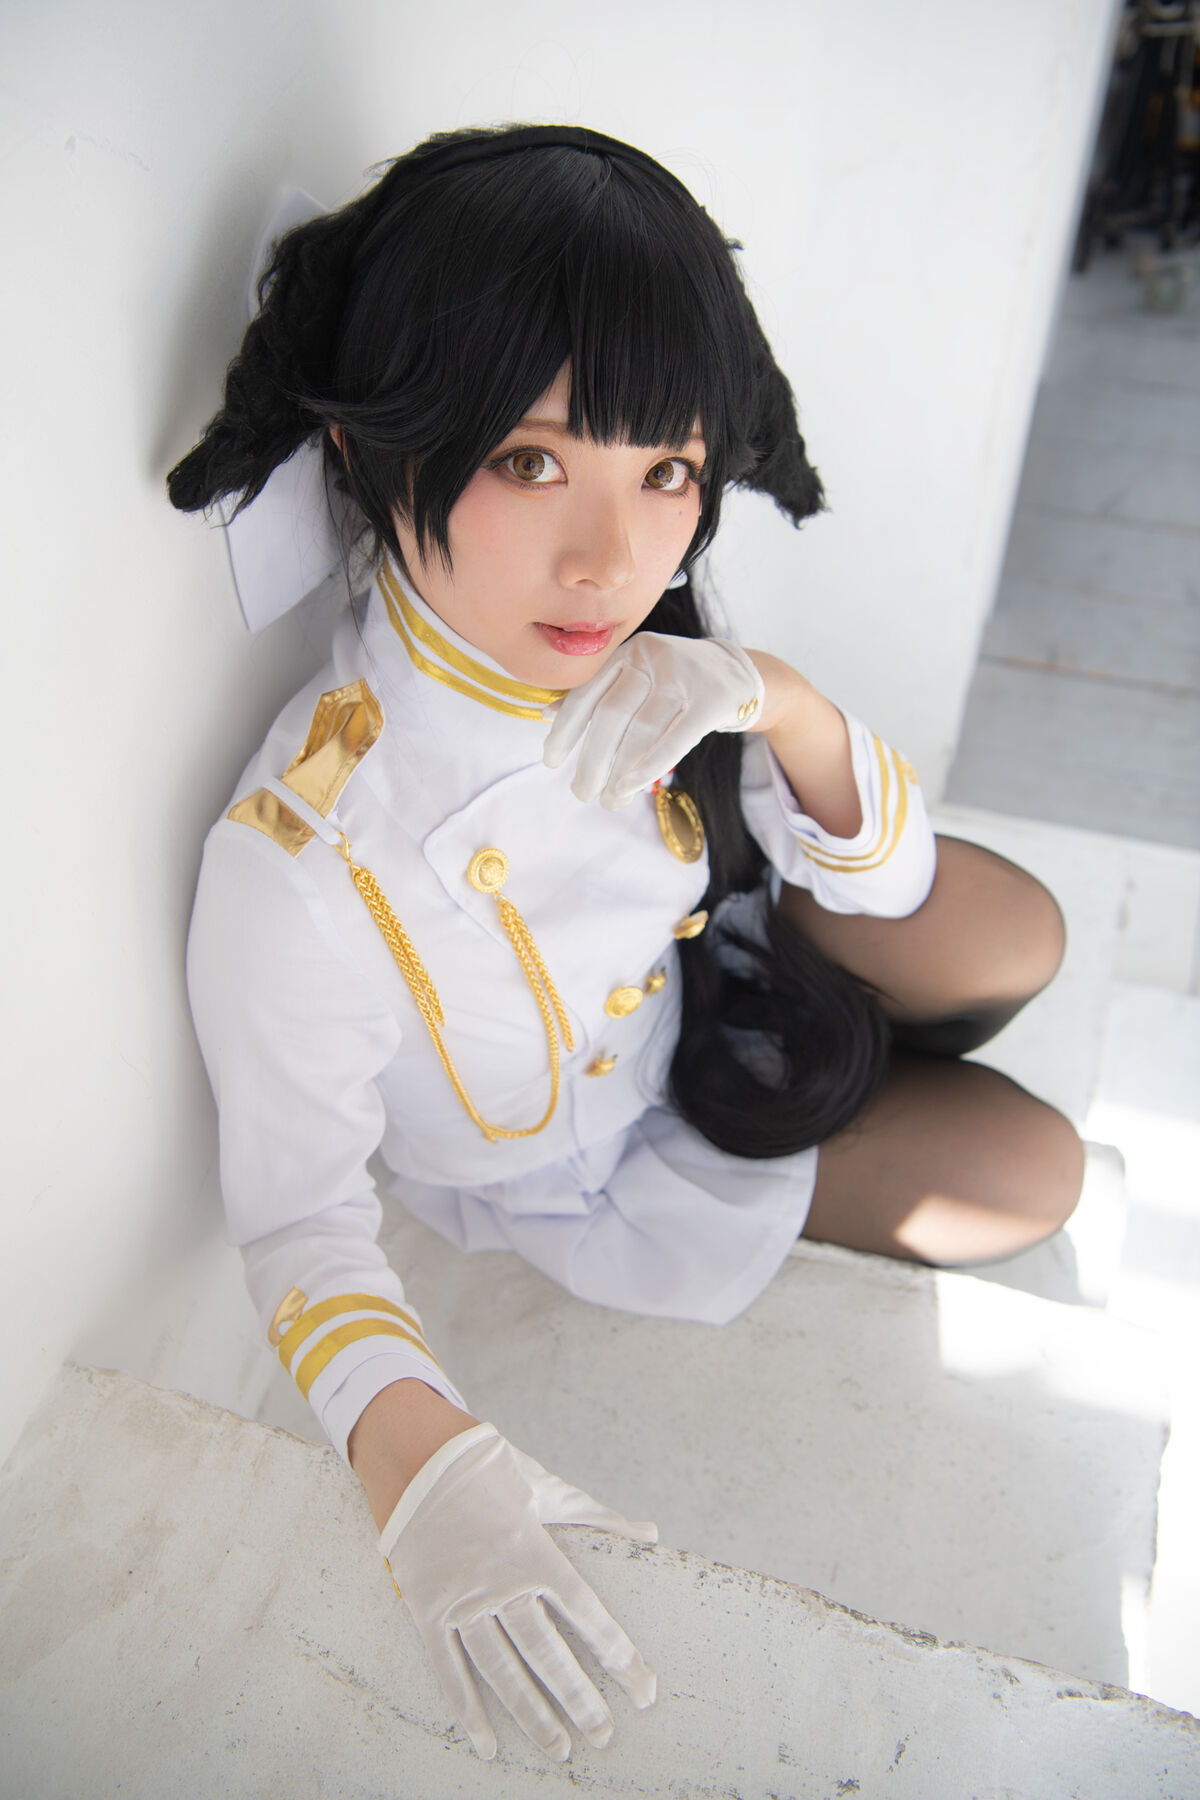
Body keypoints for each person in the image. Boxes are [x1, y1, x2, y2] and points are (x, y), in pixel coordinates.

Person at [169, 124, 1083, 1765]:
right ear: (367, 444)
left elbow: (891, 884)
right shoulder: (303, 863)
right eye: (532, 464)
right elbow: (298, 1217)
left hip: (727, 950)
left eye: (666, 472)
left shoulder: (646, 644)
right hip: (624, 1140)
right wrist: (419, 1465)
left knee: (1016, 930)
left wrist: (776, 701)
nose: (612, 562)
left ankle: (877, 1020)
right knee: (1034, 1177)